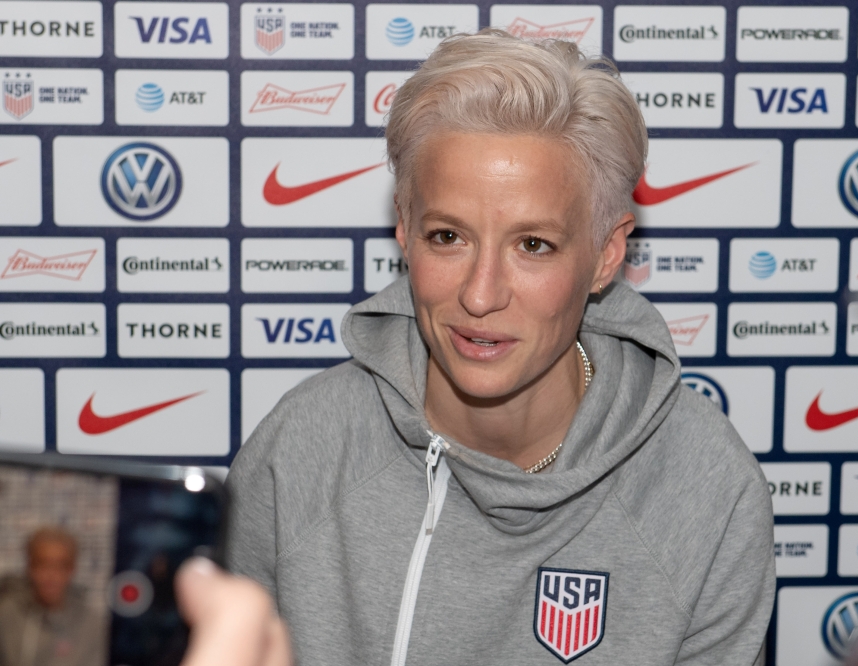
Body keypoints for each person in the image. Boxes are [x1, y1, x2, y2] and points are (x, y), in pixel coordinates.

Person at [204, 29, 774, 666]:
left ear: (606, 256)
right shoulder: (302, 447)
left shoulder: (709, 490)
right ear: (404, 229)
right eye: (447, 236)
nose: (480, 295)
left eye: (534, 245)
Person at [0, 527, 105, 666]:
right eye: (42, 564)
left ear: (72, 569)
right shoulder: (6, 614)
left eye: (60, 566)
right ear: (30, 566)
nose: (51, 576)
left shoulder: (91, 624)